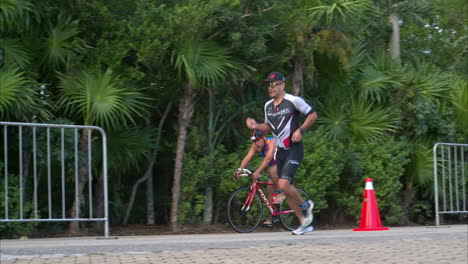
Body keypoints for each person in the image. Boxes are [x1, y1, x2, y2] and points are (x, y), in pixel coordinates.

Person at [246, 72, 318, 235]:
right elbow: (269, 126)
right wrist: (256, 125)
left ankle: (306, 206)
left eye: (274, 84)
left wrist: (301, 130)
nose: (271, 88)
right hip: (279, 151)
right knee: (283, 188)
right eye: (269, 85)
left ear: (283, 85)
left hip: (294, 148)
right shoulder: (268, 106)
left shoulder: (293, 101)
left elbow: (313, 115)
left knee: (284, 184)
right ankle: (303, 223)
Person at [233, 129, 285, 226]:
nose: (257, 143)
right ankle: (273, 216)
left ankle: (281, 193)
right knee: (269, 189)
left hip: (283, 163)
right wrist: (240, 169)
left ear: (264, 137)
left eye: (258, 140)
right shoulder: (256, 146)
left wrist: (257, 172)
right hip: (274, 167)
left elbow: (268, 158)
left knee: (272, 169)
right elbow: (248, 157)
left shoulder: (271, 142)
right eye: (254, 141)